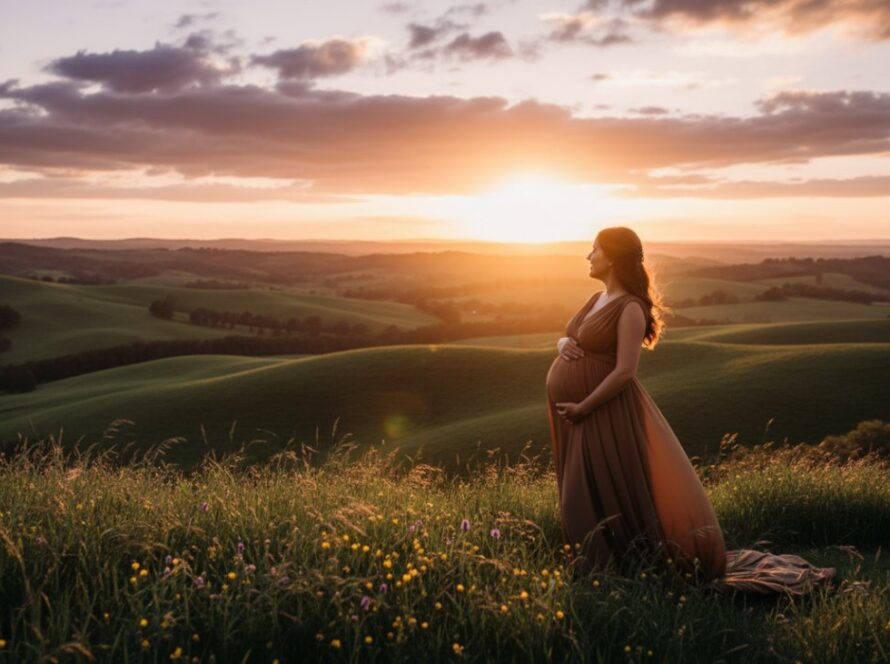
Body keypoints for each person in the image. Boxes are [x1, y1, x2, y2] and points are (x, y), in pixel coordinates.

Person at [544, 226, 837, 594]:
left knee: (594, 490)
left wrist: (585, 406)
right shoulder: (594, 299)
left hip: (603, 413)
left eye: (594, 249)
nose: (588, 256)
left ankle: (612, 568)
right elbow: (573, 336)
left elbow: (625, 372)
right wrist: (561, 342)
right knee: (581, 487)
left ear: (614, 257)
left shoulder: (631, 307)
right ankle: (593, 567)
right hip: (580, 415)